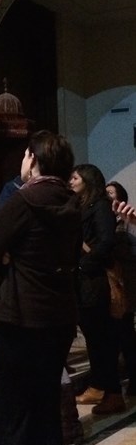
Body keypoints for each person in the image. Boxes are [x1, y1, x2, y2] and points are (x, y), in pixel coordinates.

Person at [0, 130, 82, 445]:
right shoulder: (72, 204)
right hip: (58, 323)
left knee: (4, 426)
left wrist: (10, 257)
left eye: (26, 156)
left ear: (33, 160)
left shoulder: (23, 200)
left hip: (21, 323)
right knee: (43, 424)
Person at [69, 165, 125, 414]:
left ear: (88, 181)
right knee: (93, 338)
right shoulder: (83, 205)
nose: (71, 181)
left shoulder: (100, 206)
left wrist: (82, 265)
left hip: (94, 280)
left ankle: (112, 393)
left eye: (75, 177)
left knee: (103, 338)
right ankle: (98, 385)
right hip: (84, 281)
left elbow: (106, 242)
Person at [106, 182, 136, 396]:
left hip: (126, 282)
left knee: (126, 331)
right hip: (117, 282)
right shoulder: (108, 219)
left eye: (110, 193)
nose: (106, 196)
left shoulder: (127, 220)